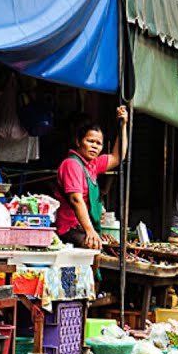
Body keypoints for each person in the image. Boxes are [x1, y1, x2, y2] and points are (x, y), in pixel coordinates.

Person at [54, 106, 129, 250]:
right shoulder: (72, 164)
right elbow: (76, 199)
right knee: (94, 247)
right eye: (90, 141)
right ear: (78, 142)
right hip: (71, 227)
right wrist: (90, 231)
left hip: (86, 225)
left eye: (98, 143)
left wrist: (123, 125)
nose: (94, 146)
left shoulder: (92, 164)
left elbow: (117, 156)